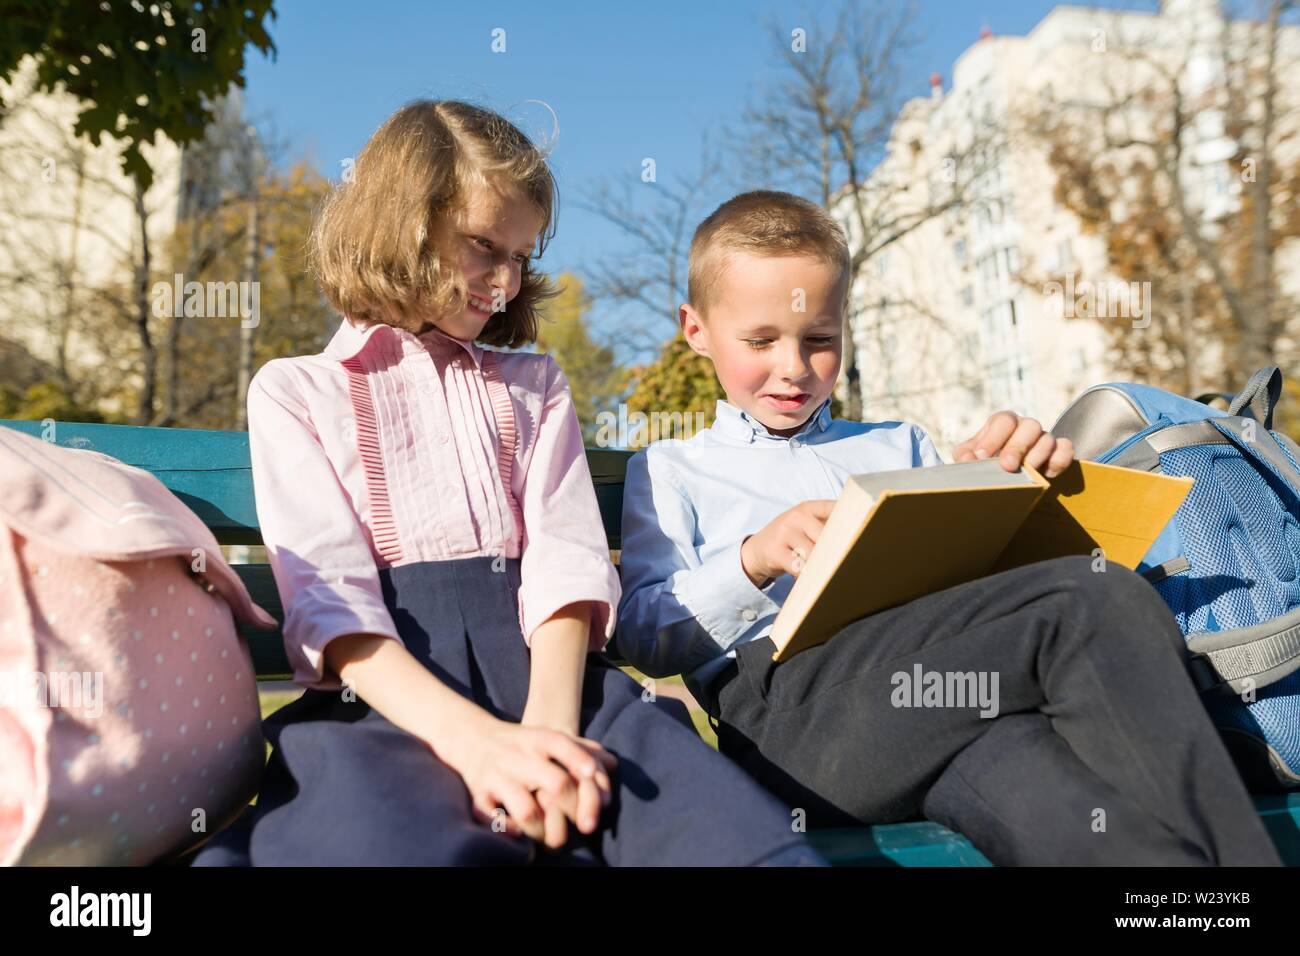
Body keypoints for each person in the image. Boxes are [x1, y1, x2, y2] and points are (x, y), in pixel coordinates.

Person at [194, 105, 821, 866]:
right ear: (399, 224)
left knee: (711, 829)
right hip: (385, 699)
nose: (505, 281)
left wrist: (549, 735)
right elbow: (330, 597)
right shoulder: (296, 390)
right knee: (379, 839)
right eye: (484, 246)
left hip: (556, 681)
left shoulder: (534, 384)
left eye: (521, 256)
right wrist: (481, 747)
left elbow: (566, 559)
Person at [616, 189, 1282, 866]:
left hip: (937, 704)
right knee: (1089, 597)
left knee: (1051, 799)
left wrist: (1009, 483)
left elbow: (975, 590)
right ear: (695, 329)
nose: (793, 366)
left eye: (820, 339)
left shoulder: (898, 443)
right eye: (761, 340)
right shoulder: (673, 466)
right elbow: (642, 635)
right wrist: (753, 560)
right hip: (791, 726)